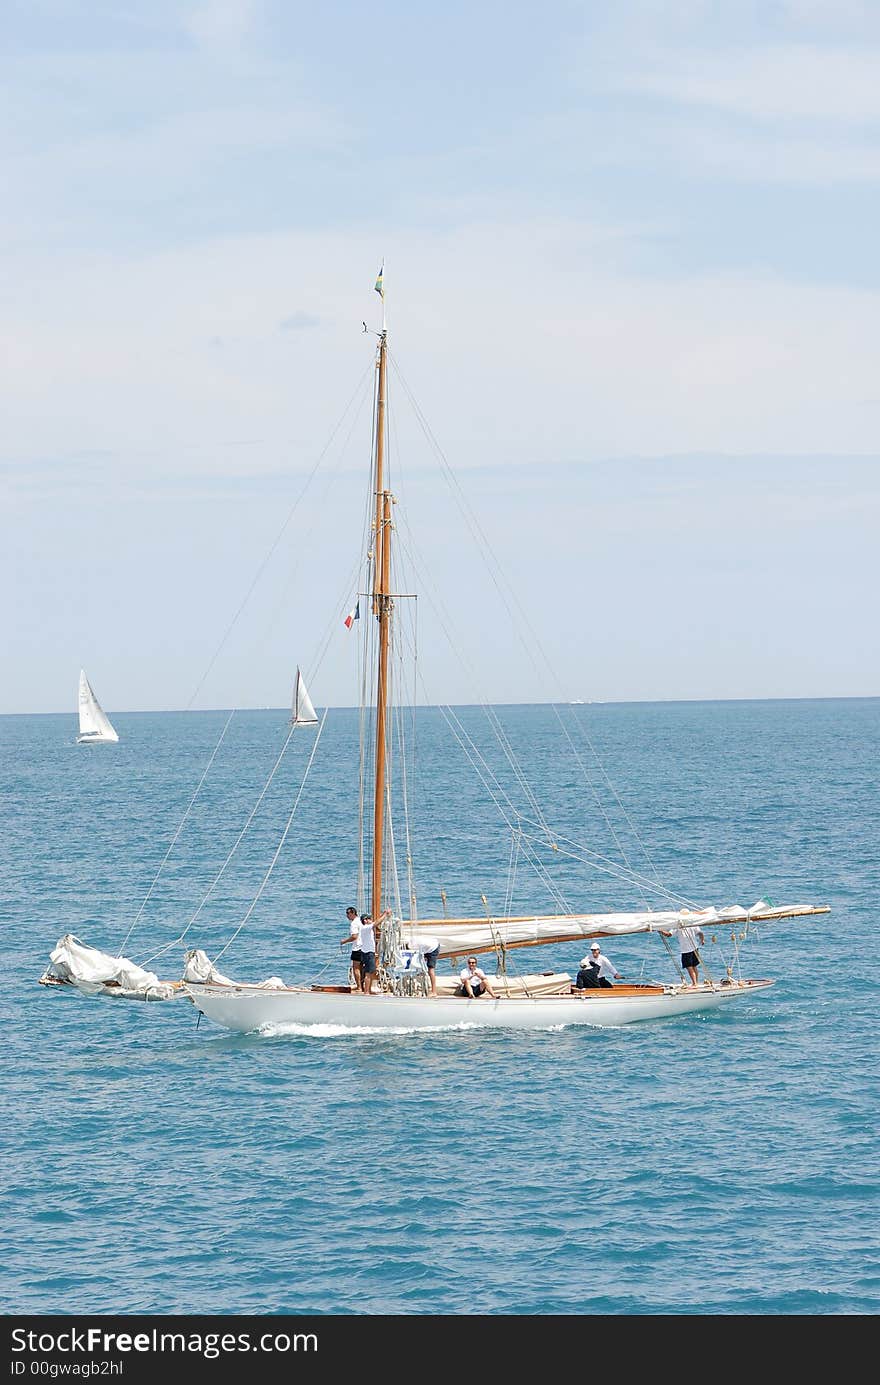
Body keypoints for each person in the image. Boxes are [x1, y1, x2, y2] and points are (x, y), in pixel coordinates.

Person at [355, 907, 391, 994]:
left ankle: (369, 990)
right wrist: (385, 914)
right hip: (368, 953)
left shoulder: (366, 928)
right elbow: (376, 923)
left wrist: (383, 914)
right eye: (369, 919)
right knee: (368, 973)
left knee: (370, 972)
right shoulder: (365, 928)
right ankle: (367, 992)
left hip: (367, 952)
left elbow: (376, 921)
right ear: (365, 920)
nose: (371, 920)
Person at [662, 917, 706, 986]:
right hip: (695, 947)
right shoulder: (692, 923)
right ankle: (695, 982)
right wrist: (702, 940)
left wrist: (660, 931)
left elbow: (669, 934)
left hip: (686, 949)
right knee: (694, 966)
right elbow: (700, 933)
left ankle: (694, 983)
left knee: (689, 967)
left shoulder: (678, 925)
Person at [340, 905, 364, 992]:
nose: (347, 916)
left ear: (353, 913)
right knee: (362, 967)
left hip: (357, 948)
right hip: (365, 947)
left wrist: (344, 941)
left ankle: (359, 987)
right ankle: (362, 985)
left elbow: (354, 936)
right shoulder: (362, 921)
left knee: (356, 968)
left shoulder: (354, 923)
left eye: (348, 913)